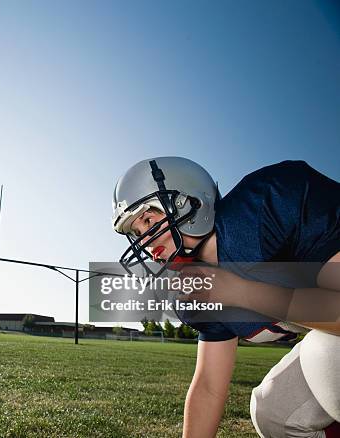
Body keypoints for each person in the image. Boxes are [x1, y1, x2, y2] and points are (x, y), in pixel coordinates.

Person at [112, 157, 340, 437]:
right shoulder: (199, 286)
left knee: (324, 354)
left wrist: (240, 291)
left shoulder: (271, 202)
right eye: (136, 233)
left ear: (188, 201)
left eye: (148, 220)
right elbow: (209, 385)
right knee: (274, 412)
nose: (144, 242)